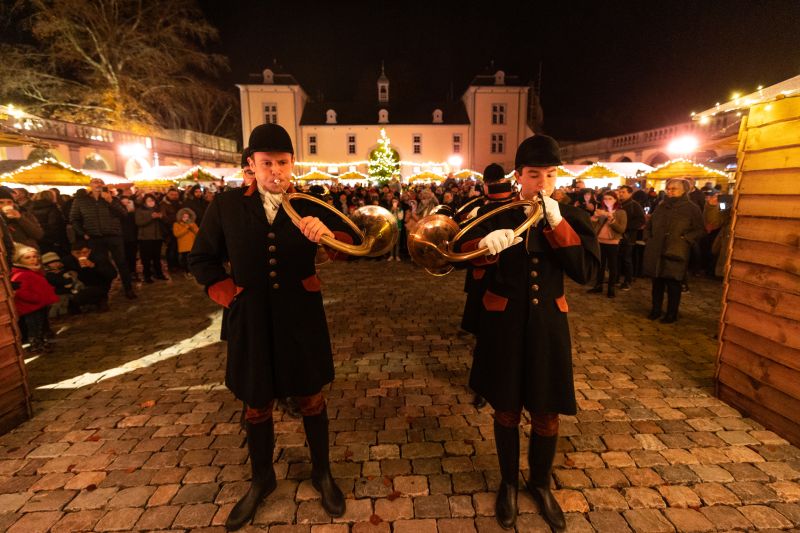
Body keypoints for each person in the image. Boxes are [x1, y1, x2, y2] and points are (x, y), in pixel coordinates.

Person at [189, 123, 356, 530]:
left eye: (282, 162)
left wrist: (328, 238)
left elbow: (353, 246)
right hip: (252, 321)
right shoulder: (226, 206)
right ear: (251, 165)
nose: (276, 170)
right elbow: (201, 260)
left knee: (311, 399)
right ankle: (262, 479)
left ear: (293, 163)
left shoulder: (313, 202)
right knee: (256, 402)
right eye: (267, 163)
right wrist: (232, 296)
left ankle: (322, 473)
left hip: (301, 317)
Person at [456, 135, 599, 529]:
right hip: (503, 326)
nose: (542, 183)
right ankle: (507, 483)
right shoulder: (497, 213)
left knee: (546, 412)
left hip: (548, 328)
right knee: (505, 409)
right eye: (534, 175)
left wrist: (557, 224)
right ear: (519, 176)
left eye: (550, 175)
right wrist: (483, 247)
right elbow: (453, 252)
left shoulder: (568, 215)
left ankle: (539, 483)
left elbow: (586, 272)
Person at [461, 162, 512, 409]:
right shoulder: (478, 207)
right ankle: (484, 386)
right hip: (488, 280)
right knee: (485, 338)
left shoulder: (481, 207)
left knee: (485, 338)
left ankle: (482, 388)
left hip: (489, 282)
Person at [643, 178, 704, 323]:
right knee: (657, 283)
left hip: (676, 250)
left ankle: (672, 313)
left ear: (684, 190)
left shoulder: (691, 208)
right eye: (668, 188)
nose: (669, 191)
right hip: (657, 249)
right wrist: (648, 238)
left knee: (673, 284)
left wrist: (685, 239)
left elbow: (700, 230)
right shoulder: (661, 206)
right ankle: (656, 310)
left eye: (673, 189)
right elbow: (649, 224)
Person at [69, 178, 136, 299]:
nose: (98, 184)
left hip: (114, 236)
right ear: (90, 185)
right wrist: (83, 233)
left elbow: (124, 214)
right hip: (95, 237)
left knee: (122, 263)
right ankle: (103, 294)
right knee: (102, 265)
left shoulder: (112, 199)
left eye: (100, 182)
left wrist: (110, 201)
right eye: (95, 182)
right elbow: (74, 219)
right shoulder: (81, 201)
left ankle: (128, 289)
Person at [11, 244, 58, 352]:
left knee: (40, 324)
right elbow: (21, 292)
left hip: (38, 305)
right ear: (20, 260)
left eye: (35, 256)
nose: (33, 259)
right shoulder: (21, 274)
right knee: (34, 327)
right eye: (27, 257)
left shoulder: (33, 271)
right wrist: (36, 298)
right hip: (31, 307)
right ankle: (36, 344)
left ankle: (42, 342)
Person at [587, 191, 627, 298]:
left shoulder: (621, 212)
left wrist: (612, 219)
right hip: (600, 241)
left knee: (612, 265)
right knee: (600, 265)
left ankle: (611, 288)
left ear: (615, 200)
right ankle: (598, 285)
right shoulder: (601, 211)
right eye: (605, 199)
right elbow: (592, 227)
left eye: (610, 198)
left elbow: (621, 229)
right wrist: (595, 217)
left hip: (613, 242)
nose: (607, 201)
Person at [616, 185, 645, 290]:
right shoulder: (618, 204)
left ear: (630, 193)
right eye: (620, 192)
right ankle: (616, 278)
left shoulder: (635, 205)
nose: (620, 194)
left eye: (623, 192)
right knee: (617, 258)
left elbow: (641, 221)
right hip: (617, 236)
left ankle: (628, 281)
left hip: (629, 237)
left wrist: (625, 227)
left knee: (626, 260)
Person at [135, 194, 167, 283]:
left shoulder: (158, 209)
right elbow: (138, 222)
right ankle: (147, 276)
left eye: (152, 200)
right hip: (145, 238)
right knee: (146, 258)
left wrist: (161, 217)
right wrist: (151, 217)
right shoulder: (140, 210)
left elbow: (165, 220)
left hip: (158, 237)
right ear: (144, 201)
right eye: (148, 200)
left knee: (157, 257)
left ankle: (159, 274)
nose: (151, 202)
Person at [29, 190, 69, 255]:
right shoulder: (52, 208)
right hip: (52, 240)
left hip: (38, 238)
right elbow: (55, 225)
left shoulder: (30, 208)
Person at [172, 208, 199, 277]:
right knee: (185, 261)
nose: (186, 218)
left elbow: (198, 232)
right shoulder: (176, 224)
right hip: (184, 247)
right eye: (184, 217)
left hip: (193, 245)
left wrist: (192, 227)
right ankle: (187, 272)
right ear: (180, 217)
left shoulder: (192, 223)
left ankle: (194, 271)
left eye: (187, 217)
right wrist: (186, 227)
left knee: (193, 260)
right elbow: (177, 234)